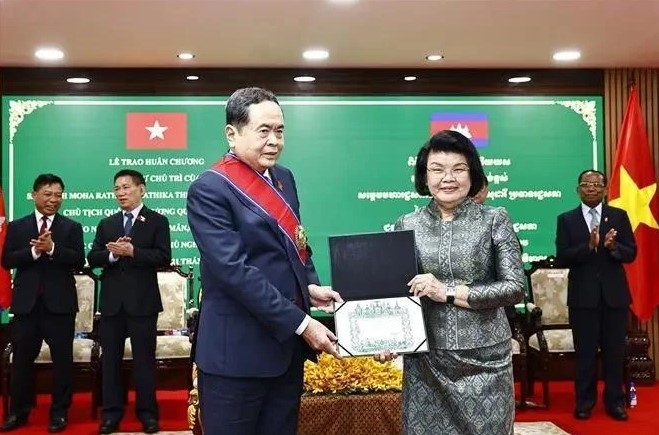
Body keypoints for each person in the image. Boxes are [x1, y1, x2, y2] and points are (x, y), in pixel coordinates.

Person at [186, 87, 342, 435]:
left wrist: (310, 285)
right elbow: (234, 272)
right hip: (235, 359)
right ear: (232, 133)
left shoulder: (284, 178)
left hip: (284, 354)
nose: (274, 141)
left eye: (280, 131)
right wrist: (303, 324)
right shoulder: (210, 189)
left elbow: (295, 245)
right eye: (264, 131)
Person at [375, 130, 525, 435]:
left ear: (472, 175)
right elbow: (398, 293)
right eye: (437, 169)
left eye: (458, 169)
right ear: (424, 176)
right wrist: (387, 338)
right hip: (427, 361)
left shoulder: (494, 218)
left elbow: (514, 287)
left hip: (485, 361)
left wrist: (448, 291)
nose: (448, 178)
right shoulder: (407, 224)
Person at [87, 169, 172, 434]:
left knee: (144, 361)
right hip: (112, 304)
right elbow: (94, 257)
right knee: (110, 361)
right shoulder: (107, 224)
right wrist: (112, 255)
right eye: (117, 189)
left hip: (143, 303)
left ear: (141, 189)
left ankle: (148, 414)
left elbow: (163, 257)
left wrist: (133, 251)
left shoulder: (157, 221)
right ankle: (111, 415)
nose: (121, 193)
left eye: (126, 187)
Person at [0, 173, 85, 433]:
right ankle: (19, 412)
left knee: (62, 362)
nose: (53, 199)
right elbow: (7, 260)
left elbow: (77, 260)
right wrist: (35, 251)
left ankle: (59, 413)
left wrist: (52, 249)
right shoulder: (17, 227)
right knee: (22, 361)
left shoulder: (71, 227)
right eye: (48, 194)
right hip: (26, 306)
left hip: (59, 307)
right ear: (34, 195)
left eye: (58, 195)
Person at [555, 169, 636, 421]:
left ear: (604, 189)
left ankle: (615, 402)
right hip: (583, 298)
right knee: (586, 354)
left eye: (597, 185)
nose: (591, 188)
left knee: (614, 353)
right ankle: (584, 402)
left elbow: (631, 252)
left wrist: (613, 247)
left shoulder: (618, 216)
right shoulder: (566, 219)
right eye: (586, 184)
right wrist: (588, 247)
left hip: (614, 297)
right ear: (577, 189)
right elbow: (562, 257)